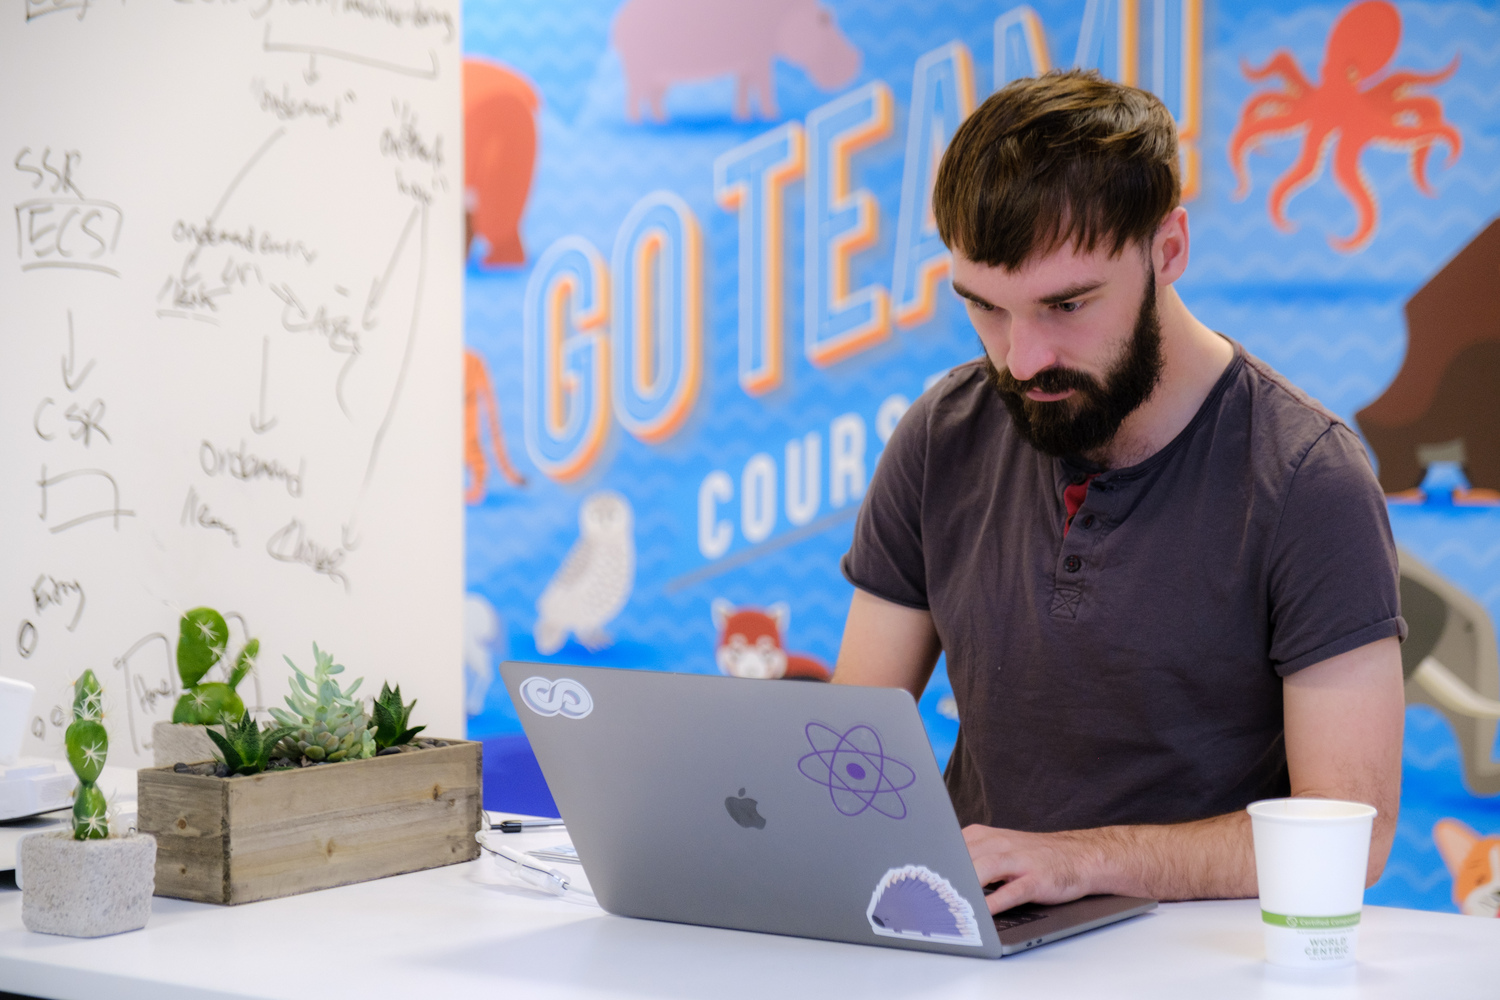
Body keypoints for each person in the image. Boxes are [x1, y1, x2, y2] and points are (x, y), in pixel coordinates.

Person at [833, 70, 1406, 915]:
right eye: (985, 308)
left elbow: (1350, 838)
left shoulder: (1308, 479)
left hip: (1202, 966)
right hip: (975, 945)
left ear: (1168, 249)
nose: (1021, 360)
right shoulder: (941, 433)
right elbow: (850, 745)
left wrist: (1081, 861)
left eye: (1066, 304)